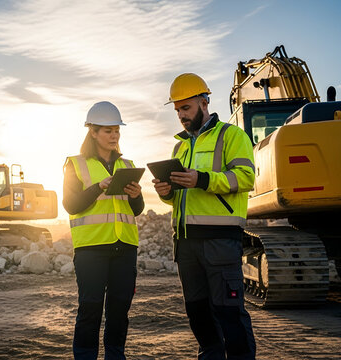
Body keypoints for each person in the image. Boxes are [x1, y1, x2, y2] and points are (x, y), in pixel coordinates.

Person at [154, 73, 257, 359]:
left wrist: (202, 179)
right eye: (177, 111)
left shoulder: (232, 135)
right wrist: (166, 192)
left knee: (229, 314)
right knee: (198, 315)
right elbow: (180, 199)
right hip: (186, 244)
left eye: (185, 108)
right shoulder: (181, 147)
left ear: (204, 102)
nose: (181, 116)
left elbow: (246, 178)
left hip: (220, 242)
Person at [63, 101, 144, 360]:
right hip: (91, 248)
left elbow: (136, 210)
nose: (114, 135)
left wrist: (136, 195)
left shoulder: (127, 164)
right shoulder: (75, 165)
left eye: (116, 130)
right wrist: (99, 186)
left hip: (125, 246)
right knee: (91, 308)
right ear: (93, 133)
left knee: (119, 309)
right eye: (108, 130)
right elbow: (70, 204)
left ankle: (115, 356)